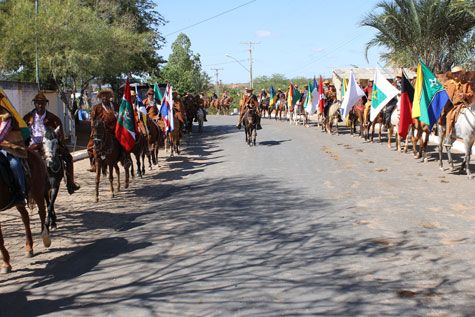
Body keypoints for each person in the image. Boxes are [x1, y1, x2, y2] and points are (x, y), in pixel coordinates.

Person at [23, 93, 80, 194]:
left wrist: (57, 143)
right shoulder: (28, 118)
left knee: (69, 158)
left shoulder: (53, 118)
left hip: (50, 144)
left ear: (46, 104)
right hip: (33, 145)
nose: (40, 105)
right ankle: (23, 185)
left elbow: (60, 134)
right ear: (35, 104)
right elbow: (23, 133)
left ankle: (70, 183)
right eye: (38, 103)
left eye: (42, 103)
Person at [0, 90, 28, 205]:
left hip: (9, 146)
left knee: (14, 164)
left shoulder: (6, 117)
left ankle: (21, 193)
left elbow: (2, 134)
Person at [86, 88, 124, 172]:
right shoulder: (96, 107)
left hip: (113, 131)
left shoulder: (115, 106)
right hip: (99, 132)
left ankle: (124, 159)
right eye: (103, 96)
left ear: (110, 97)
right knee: (89, 146)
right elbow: (92, 119)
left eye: (107, 96)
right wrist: (94, 129)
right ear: (100, 97)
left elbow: (121, 116)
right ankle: (93, 164)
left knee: (122, 143)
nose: (105, 97)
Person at [443, 66, 474, 147]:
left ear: (461, 74)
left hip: (463, 105)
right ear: (452, 75)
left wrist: (465, 95)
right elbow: (442, 93)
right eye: (454, 73)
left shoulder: (465, 84)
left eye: (458, 73)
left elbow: (471, 94)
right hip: (452, 105)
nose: (456, 75)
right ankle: (448, 136)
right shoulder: (448, 83)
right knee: (449, 116)